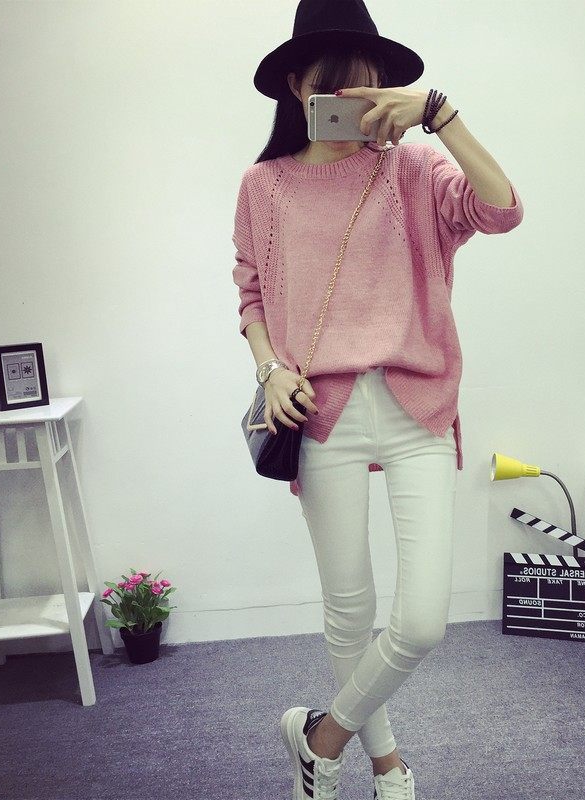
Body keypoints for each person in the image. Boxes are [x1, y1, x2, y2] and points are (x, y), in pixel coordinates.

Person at [232, 2, 524, 798]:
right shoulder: (264, 186)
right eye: (332, 87)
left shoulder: (415, 170)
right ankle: (386, 765)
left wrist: (441, 115)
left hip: (416, 405)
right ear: (297, 86)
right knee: (350, 610)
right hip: (318, 412)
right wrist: (270, 369)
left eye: (365, 87)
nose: (349, 103)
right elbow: (251, 294)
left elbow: (502, 210)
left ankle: (319, 738)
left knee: (422, 619)